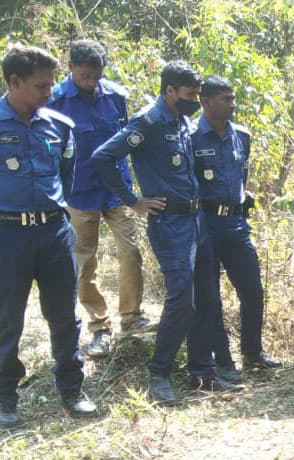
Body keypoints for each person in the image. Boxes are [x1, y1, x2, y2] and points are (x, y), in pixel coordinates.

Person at [92, 60, 210, 402]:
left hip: (196, 219)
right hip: (170, 224)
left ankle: (201, 369)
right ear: (169, 90)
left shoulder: (182, 119)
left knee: (202, 296)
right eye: (189, 94)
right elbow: (103, 157)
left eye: (197, 94)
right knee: (181, 299)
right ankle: (159, 373)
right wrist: (133, 200)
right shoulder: (148, 121)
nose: (195, 100)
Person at [0, 45, 97, 427]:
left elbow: (66, 177)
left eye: (51, 85)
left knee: (64, 316)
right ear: (15, 82)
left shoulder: (59, 126)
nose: (49, 93)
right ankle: (5, 397)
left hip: (54, 231)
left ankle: (72, 391)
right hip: (7, 235)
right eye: (41, 86)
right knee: (7, 319)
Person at [48, 39, 155, 358]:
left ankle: (132, 316)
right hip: (78, 192)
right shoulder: (55, 100)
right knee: (85, 261)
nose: (90, 83)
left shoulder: (116, 96)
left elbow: (126, 143)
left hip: (117, 190)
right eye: (84, 76)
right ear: (70, 69)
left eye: (95, 76)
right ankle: (99, 326)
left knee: (131, 251)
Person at [192, 75, 281, 380]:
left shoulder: (241, 135)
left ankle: (253, 354)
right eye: (226, 99)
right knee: (210, 296)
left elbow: (241, 175)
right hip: (206, 224)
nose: (233, 105)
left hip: (236, 223)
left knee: (253, 290)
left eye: (233, 98)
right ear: (206, 102)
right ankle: (224, 362)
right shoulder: (190, 136)